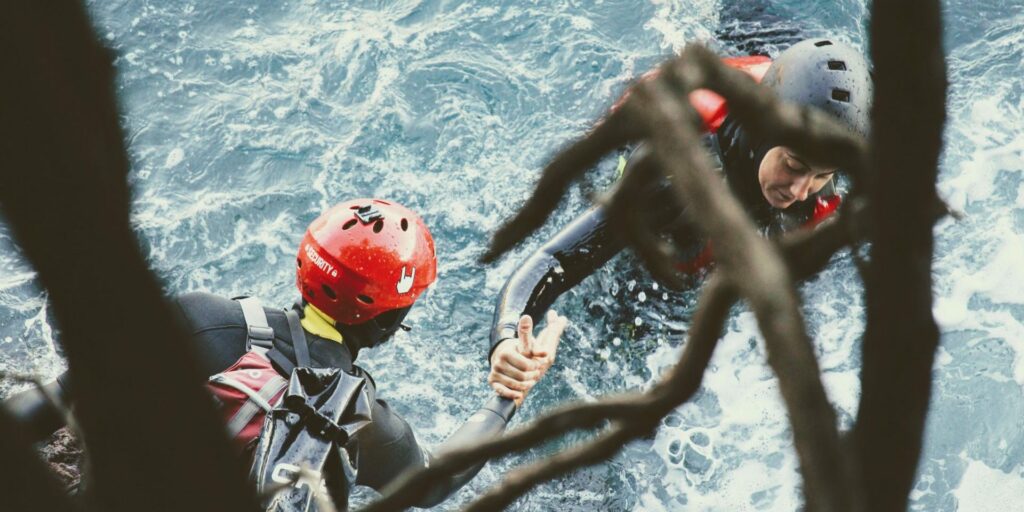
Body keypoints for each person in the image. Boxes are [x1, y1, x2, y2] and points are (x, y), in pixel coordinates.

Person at [5, 198, 568, 508]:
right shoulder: (365, 421)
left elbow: (57, 399)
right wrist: (504, 399)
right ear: (391, 321)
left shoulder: (202, 319)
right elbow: (437, 479)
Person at [486, 38, 872, 400]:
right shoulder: (674, 179)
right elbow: (557, 259)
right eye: (794, 166)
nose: (802, 191)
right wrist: (506, 338)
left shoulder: (826, 176)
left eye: (822, 175)